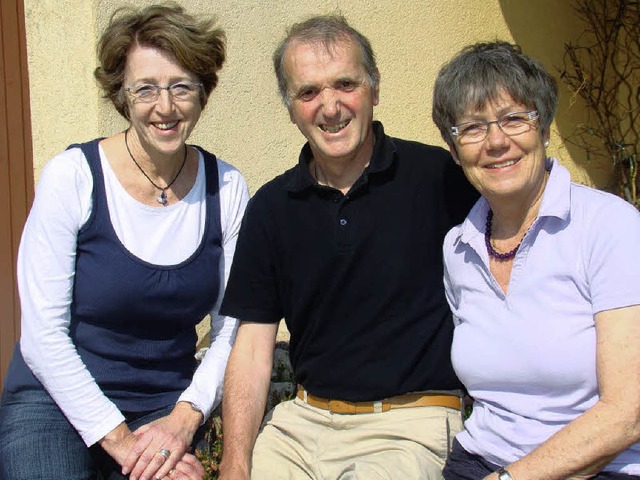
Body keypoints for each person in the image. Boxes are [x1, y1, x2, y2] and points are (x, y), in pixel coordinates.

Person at [217, 14, 478, 480]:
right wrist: (234, 466)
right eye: (309, 92)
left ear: (374, 90)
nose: (330, 106)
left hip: (409, 425)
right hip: (302, 424)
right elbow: (254, 348)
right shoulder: (271, 208)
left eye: (345, 84)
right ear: (291, 108)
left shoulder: (440, 179)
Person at [0, 4, 249, 480]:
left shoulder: (228, 188)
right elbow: (42, 337)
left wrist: (185, 419)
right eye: (146, 89)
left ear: (203, 92)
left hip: (162, 407)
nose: (165, 107)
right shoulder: (72, 177)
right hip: (53, 401)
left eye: (181, 86)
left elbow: (230, 332)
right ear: (121, 95)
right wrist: (122, 442)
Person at [431, 41, 640, 479]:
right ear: (454, 152)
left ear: (543, 128)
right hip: (477, 460)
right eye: (471, 127)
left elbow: (628, 413)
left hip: (600, 467)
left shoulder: (610, 227)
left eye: (513, 119)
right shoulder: (458, 248)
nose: (496, 142)